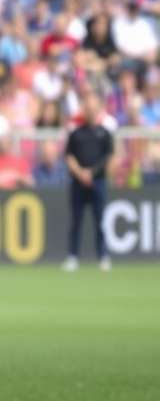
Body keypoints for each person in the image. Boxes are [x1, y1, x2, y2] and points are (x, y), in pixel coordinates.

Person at [63, 90, 114, 272]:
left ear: (99, 109)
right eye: (88, 107)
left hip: (98, 181)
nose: (91, 111)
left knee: (100, 220)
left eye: (94, 108)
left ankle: (103, 256)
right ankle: (72, 256)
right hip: (78, 182)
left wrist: (92, 172)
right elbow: (69, 156)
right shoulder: (76, 133)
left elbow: (108, 157)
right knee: (76, 220)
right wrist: (80, 173)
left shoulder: (104, 133)